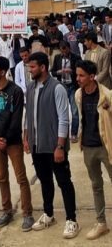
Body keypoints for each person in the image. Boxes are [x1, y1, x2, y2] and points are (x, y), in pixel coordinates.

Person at [23, 52, 79, 239]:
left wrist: (60, 146)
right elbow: (28, 115)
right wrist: (26, 137)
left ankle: (71, 220)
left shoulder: (57, 88)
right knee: (45, 181)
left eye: (32, 67)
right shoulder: (30, 87)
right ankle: (48, 214)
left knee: (64, 181)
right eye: (29, 67)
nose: (30, 70)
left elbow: (64, 119)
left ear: (43, 67)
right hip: (37, 145)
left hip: (54, 146)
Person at [0, 56, 34, 229]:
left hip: (12, 142)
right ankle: (7, 211)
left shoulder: (15, 91)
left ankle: (27, 213)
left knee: (21, 178)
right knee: (1, 177)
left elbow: (16, 119)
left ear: (3, 71)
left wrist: (5, 138)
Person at [74, 60, 112, 240]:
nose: (78, 78)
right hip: (88, 147)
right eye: (77, 75)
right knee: (96, 186)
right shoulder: (78, 95)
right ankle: (101, 223)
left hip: (106, 147)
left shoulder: (107, 95)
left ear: (92, 76)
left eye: (81, 75)